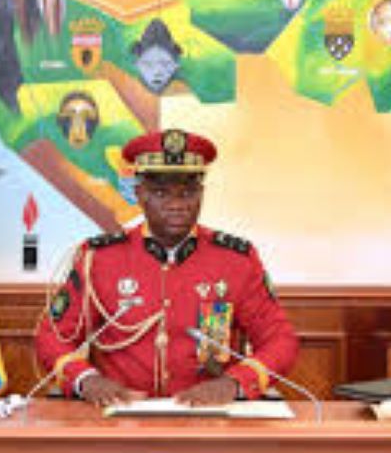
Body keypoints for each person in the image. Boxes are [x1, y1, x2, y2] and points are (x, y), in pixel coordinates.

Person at [35, 128, 298, 406]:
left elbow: (280, 340)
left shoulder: (235, 260)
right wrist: (86, 380)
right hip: (120, 417)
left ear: (201, 194)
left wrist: (235, 383)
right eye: (161, 193)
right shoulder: (99, 259)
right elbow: (52, 336)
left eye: (187, 193)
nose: (176, 205)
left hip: (209, 418)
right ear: (139, 194)